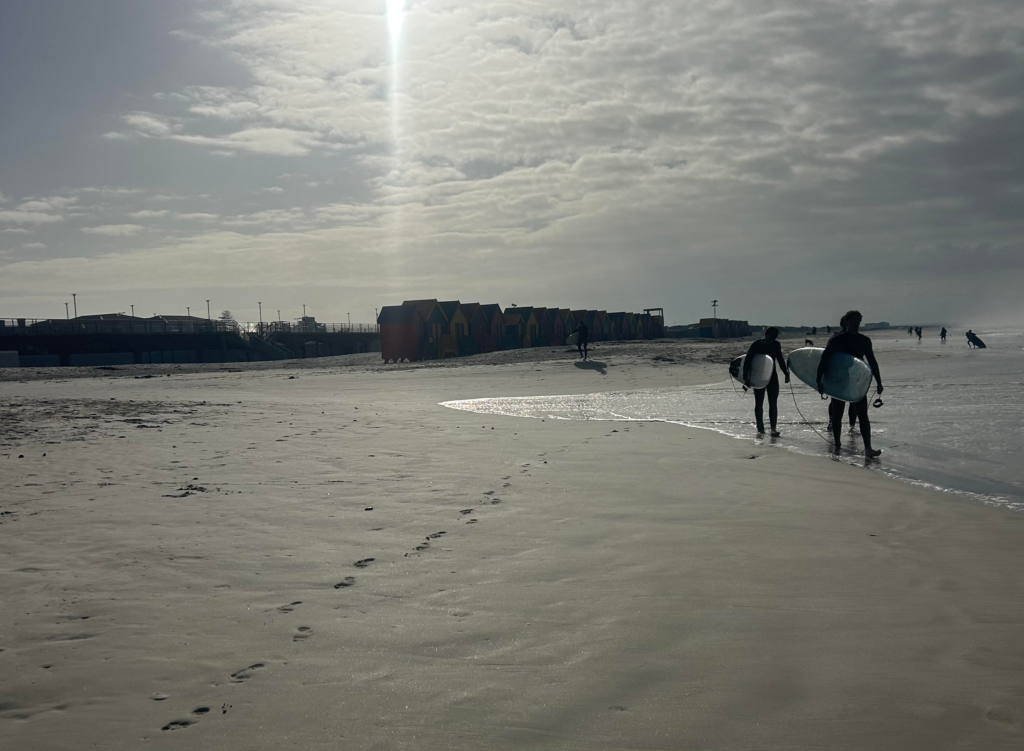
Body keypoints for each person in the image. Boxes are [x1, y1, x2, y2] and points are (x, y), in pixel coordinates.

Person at [817, 310, 883, 458]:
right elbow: (824, 359)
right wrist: (819, 380)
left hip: (856, 380)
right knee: (837, 414)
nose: (855, 325)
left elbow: (872, 361)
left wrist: (879, 381)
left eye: (857, 322)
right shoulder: (836, 340)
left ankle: (868, 449)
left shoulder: (864, 340)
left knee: (863, 415)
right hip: (838, 379)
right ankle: (837, 445)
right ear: (846, 322)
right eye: (852, 321)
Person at [742, 326, 790, 437]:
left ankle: (773, 428)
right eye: (772, 337)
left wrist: (786, 373)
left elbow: (780, 359)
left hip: (772, 377)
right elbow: (748, 361)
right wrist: (746, 377)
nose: (772, 339)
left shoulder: (776, 344)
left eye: (774, 337)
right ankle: (760, 428)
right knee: (759, 403)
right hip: (758, 377)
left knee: (773, 403)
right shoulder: (756, 345)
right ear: (766, 335)